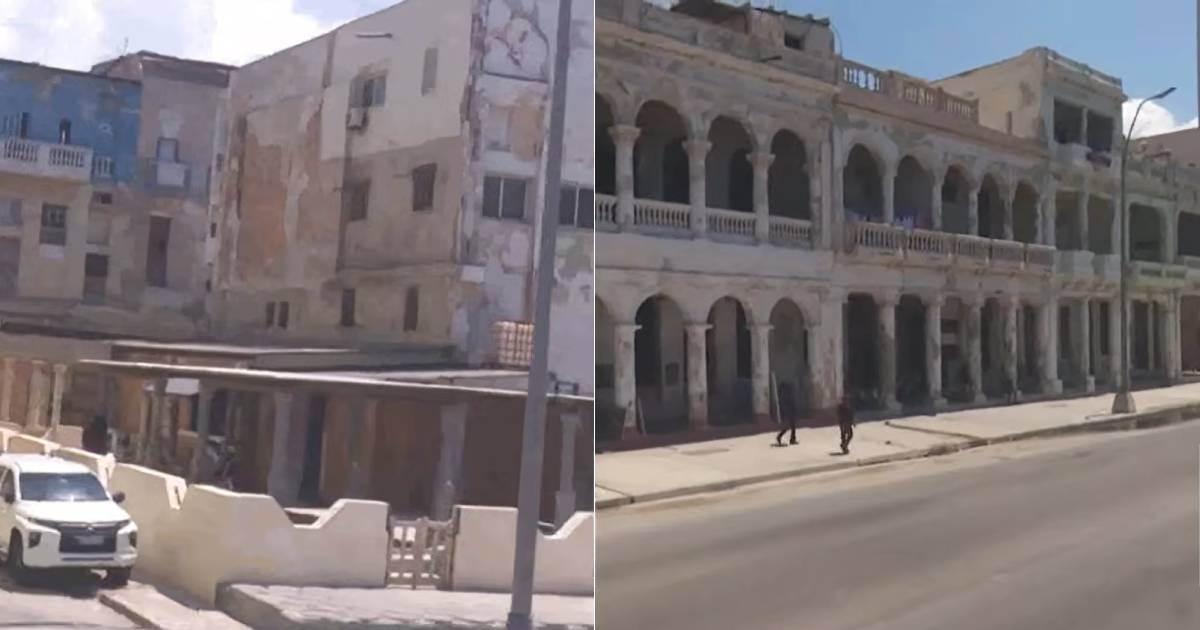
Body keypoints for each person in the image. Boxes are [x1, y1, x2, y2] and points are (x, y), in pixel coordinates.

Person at [775, 382, 798, 446]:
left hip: (790, 412)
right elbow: (788, 404)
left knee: (792, 426)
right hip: (789, 413)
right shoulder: (786, 395)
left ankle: (792, 439)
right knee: (788, 426)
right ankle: (779, 437)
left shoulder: (787, 394)